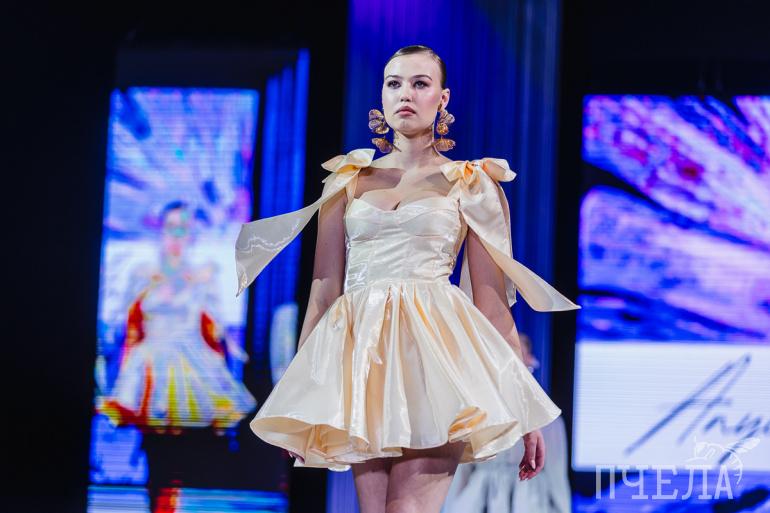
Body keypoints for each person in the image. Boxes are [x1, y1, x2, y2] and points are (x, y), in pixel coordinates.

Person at [235, 45, 580, 513]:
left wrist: (525, 408)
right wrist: (299, 397)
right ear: (381, 94)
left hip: (435, 361)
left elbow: (493, 306)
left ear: (443, 98)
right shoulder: (347, 180)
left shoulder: (471, 183)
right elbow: (324, 290)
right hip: (364, 362)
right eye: (394, 83)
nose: (406, 94)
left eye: (420, 84)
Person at [98, 200, 257, 512]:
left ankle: (170, 502)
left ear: (192, 235)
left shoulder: (203, 276)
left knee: (180, 454)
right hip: (149, 371)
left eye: (183, 229)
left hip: (189, 369)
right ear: (161, 231)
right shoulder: (144, 274)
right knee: (155, 449)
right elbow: (126, 326)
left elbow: (216, 329)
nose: (176, 236)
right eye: (171, 228)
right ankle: (157, 502)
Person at [442, 333, 572, 513]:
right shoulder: (475, 414)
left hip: (529, 501)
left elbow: (556, 475)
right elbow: (462, 471)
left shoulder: (548, 419)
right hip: (481, 500)